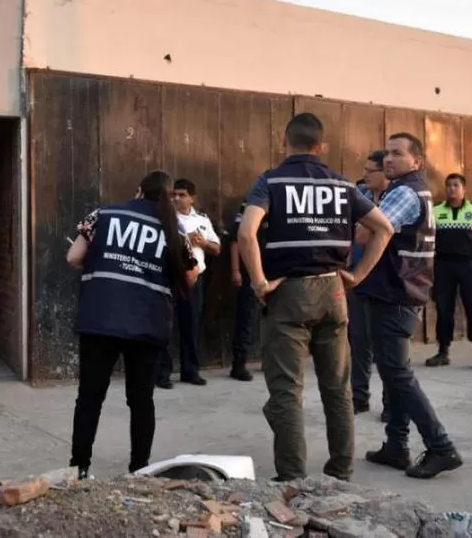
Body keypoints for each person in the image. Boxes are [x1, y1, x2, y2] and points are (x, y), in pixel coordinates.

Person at [237, 113, 394, 482]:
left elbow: (246, 234)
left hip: (288, 293)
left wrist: (259, 282)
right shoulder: (342, 185)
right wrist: (357, 275)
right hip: (334, 291)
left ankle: (292, 477)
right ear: (321, 147)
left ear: (284, 141)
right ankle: (341, 469)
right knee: (337, 388)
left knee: (286, 391)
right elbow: (384, 228)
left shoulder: (270, 181)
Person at [66, 170, 200, 479]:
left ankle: (79, 467)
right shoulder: (173, 231)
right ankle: (139, 468)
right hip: (147, 324)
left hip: (100, 319)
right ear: (168, 196)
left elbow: (74, 257)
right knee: (141, 400)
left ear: (138, 191)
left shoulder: (103, 214)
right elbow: (191, 276)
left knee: (89, 397)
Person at [354, 133, 464, 479]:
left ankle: (441, 447)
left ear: (416, 161)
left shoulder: (403, 193)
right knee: (391, 373)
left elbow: (365, 235)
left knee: (398, 375)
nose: (388, 159)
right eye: (386, 153)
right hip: (400, 292)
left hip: (394, 294)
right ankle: (396, 447)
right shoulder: (413, 190)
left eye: (397, 154)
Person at [156, 179, 220, 388]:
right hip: (170, 278)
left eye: (182, 195)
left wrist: (201, 242)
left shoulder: (201, 220)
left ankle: (190, 371)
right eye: (174, 194)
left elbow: (216, 248)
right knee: (165, 327)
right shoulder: (165, 218)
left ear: (192, 197)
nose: (176, 198)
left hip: (193, 281)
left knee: (191, 326)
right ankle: (162, 373)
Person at [426, 173, 472, 371]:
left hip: (468, 265)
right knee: (444, 309)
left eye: (456, 185)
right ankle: (443, 352)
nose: (452, 189)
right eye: (449, 186)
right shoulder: (436, 211)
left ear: (464, 189)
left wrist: (469, 251)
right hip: (443, 265)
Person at [349, 151, 391, 422]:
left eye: (370, 170)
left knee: (386, 348)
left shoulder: (395, 200)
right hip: (356, 277)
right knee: (359, 342)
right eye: (363, 169)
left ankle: (391, 402)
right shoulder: (359, 194)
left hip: (384, 282)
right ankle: (359, 396)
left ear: (385, 173)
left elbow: (365, 236)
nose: (365, 174)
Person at [226, 200, 267, 381]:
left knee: (276, 317)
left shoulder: (284, 198)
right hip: (251, 270)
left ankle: (270, 360)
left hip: (275, 270)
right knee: (246, 318)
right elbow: (236, 240)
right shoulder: (251, 203)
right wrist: (236, 270)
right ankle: (239, 364)